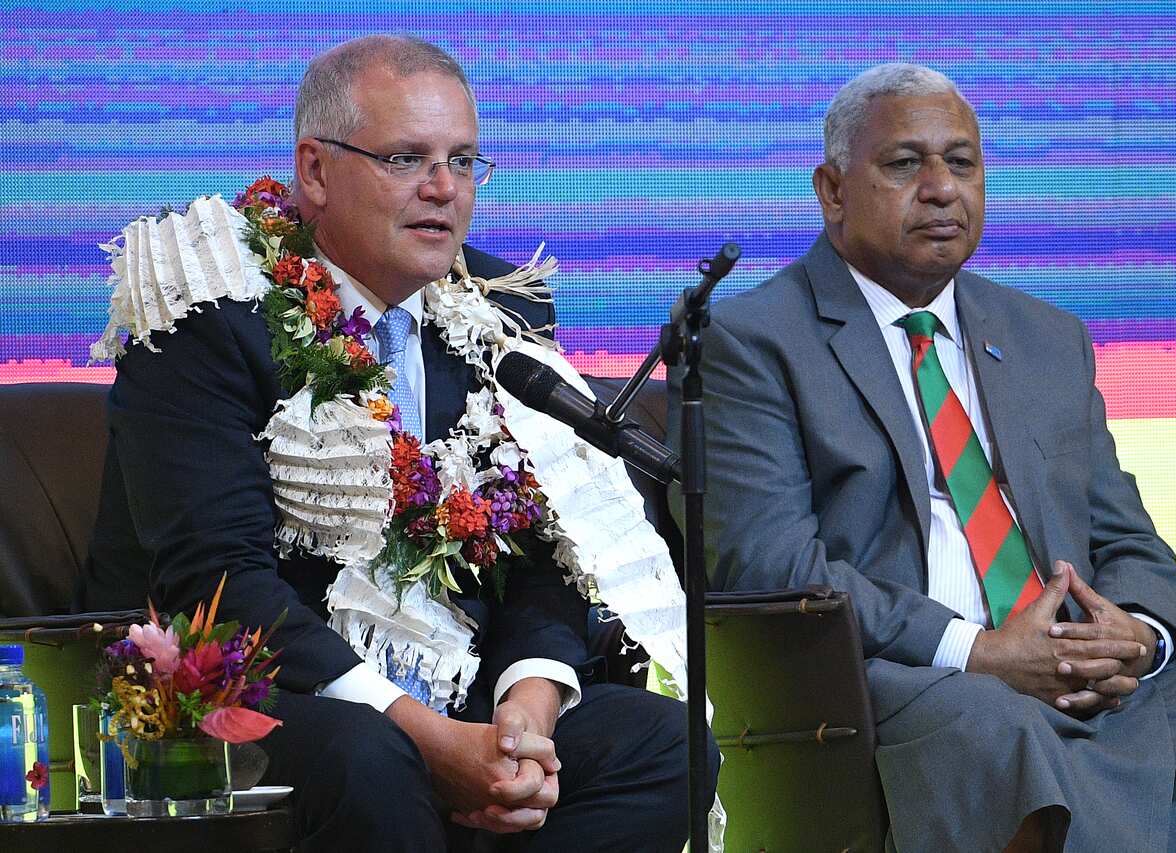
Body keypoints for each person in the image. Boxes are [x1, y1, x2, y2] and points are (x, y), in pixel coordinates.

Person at [80, 34, 711, 852]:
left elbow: (550, 551)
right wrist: (426, 737)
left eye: (464, 161)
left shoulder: (500, 313)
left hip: (460, 685)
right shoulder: (207, 307)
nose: (444, 190)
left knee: (667, 746)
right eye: (407, 158)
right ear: (314, 170)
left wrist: (527, 707)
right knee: (373, 758)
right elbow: (220, 584)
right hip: (255, 691)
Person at [689, 63, 1176, 852]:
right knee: (997, 728)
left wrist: (1134, 634)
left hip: (1076, 673)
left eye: (961, 162)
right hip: (902, 676)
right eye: (905, 164)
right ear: (831, 190)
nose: (940, 188)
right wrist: (979, 651)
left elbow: (1129, 540)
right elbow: (770, 562)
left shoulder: (1045, 335)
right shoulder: (754, 340)